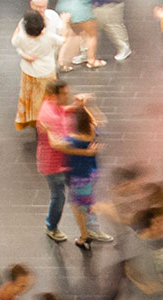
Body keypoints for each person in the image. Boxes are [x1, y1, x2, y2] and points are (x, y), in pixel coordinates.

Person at [37, 81, 112, 245]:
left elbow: (63, 111)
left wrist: (76, 105)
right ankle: (52, 226)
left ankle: (90, 230)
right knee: (59, 197)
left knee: (84, 198)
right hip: (54, 164)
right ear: (53, 95)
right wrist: (86, 152)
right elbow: (60, 145)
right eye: (63, 94)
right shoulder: (48, 116)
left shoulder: (53, 105)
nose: (67, 96)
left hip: (68, 162)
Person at [58, 107, 109, 249]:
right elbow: (97, 122)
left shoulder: (72, 139)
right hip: (92, 173)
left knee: (78, 207)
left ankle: (84, 235)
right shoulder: (91, 132)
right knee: (85, 202)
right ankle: (91, 229)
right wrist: (85, 107)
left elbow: (57, 144)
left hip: (79, 177)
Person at [12, 11, 64, 131]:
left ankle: (34, 120)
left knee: (31, 98)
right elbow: (63, 40)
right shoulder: (49, 37)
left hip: (28, 72)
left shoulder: (21, 37)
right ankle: (49, 121)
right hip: (47, 72)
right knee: (47, 97)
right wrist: (65, 23)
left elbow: (14, 41)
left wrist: (23, 53)